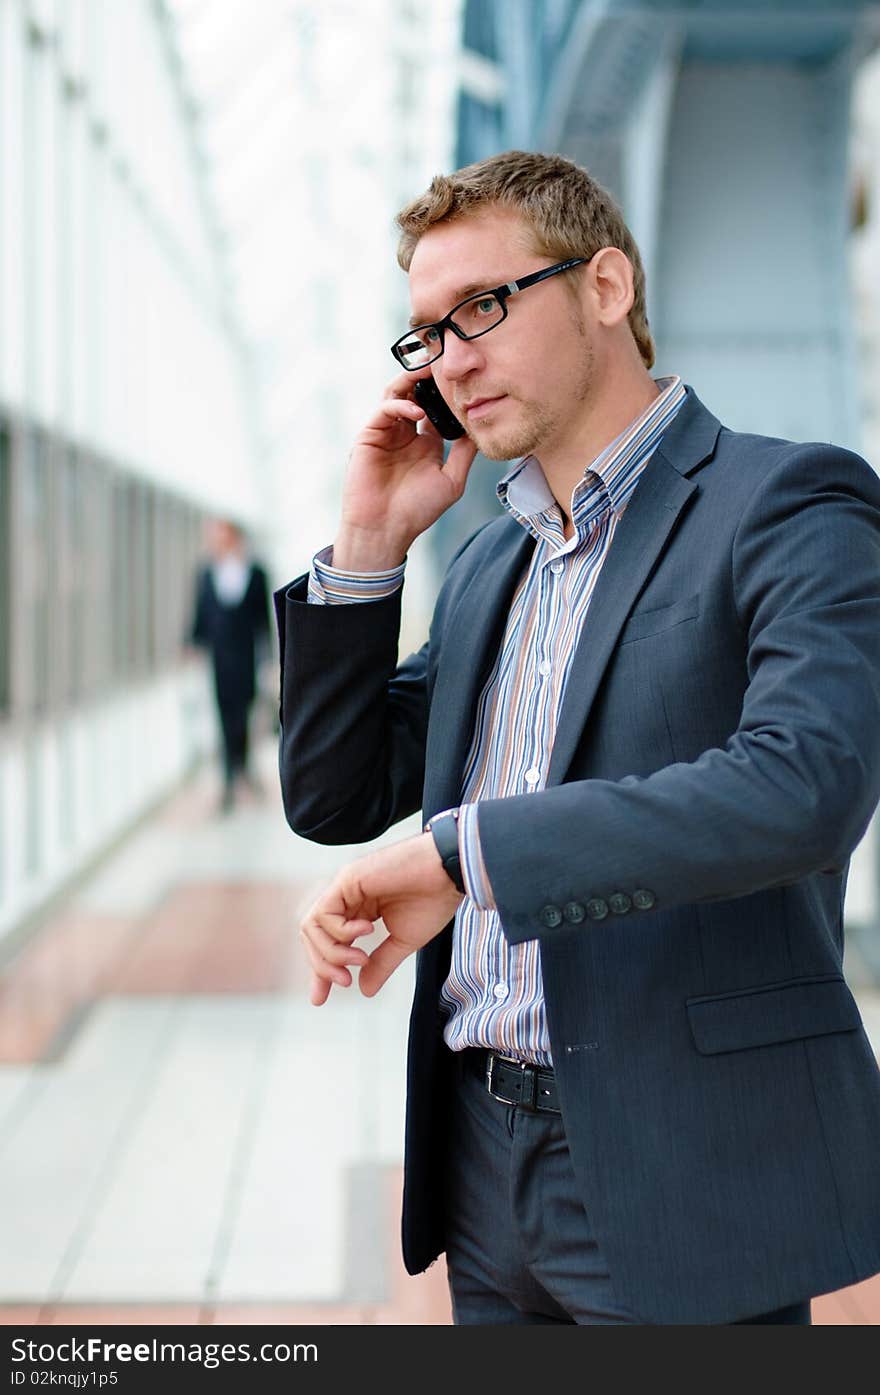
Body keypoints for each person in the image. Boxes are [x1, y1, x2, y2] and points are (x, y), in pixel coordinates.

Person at [274, 151, 880, 1325]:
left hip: (684, 1160)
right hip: (480, 1165)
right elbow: (333, 794)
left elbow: (805, 783)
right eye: (427, 334)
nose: (451, 359)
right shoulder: (491, 560)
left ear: (605, 286)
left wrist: (465, 856)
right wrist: (368, 545)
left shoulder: (789, 505)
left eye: (483, 310)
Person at [190, 518, 272, 812]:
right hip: (220, 659)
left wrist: (271, 658)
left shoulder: (256, 572)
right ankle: (230, 777)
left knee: (245, 713)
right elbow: (200, 612)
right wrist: (193, 644)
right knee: (224, 715)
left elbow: (264, 619)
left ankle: (242, 768)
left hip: (246, 657)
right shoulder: (207, 572)